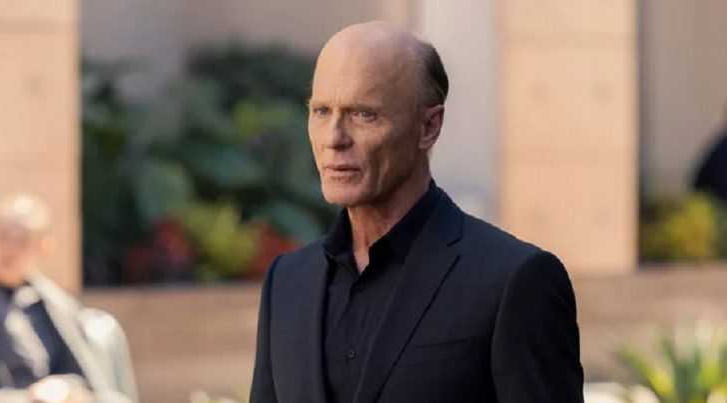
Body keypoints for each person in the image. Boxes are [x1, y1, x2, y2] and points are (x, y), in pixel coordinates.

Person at [249, 21, 583, 403]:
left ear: (428, 126)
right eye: (322, 111)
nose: (333, 138)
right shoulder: (287, 283)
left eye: (363, 114)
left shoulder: (515, 280)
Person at [0, 194, 138, 403]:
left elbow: (82, 375)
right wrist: (29, 399)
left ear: (44, 245)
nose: (10, 249)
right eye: (3, 236)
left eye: (22, 240)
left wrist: (64, 388)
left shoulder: (57, 305)